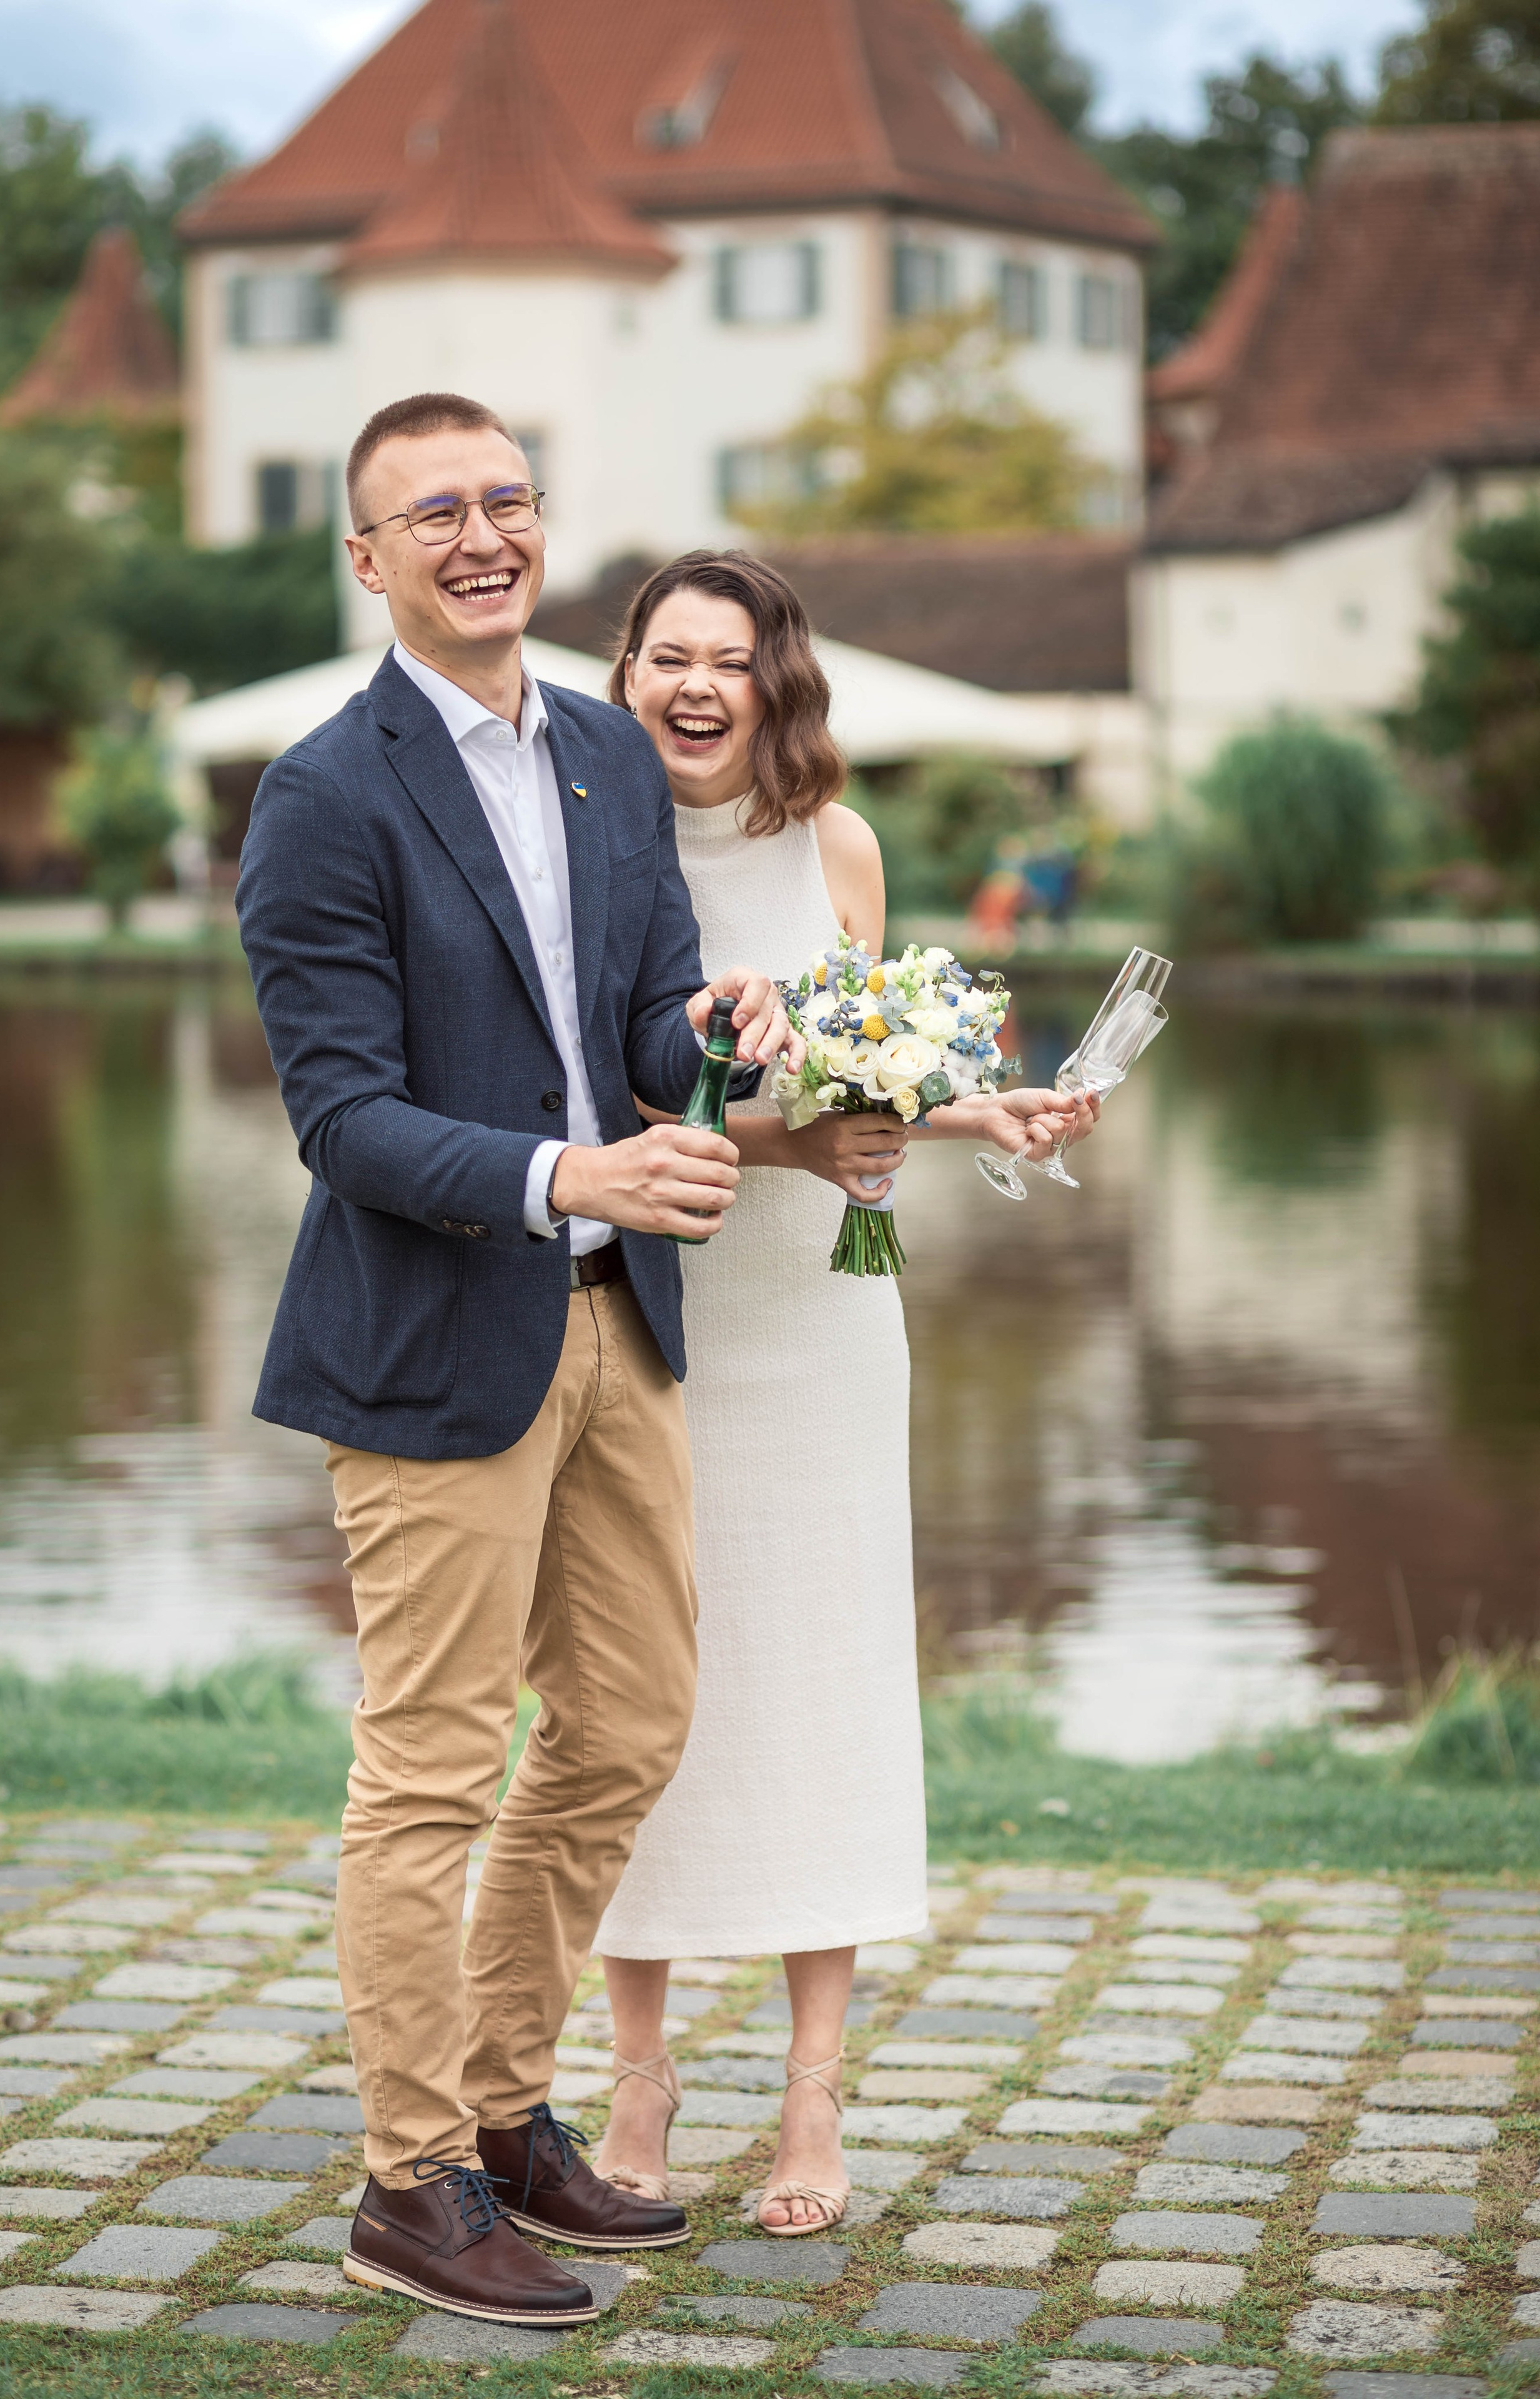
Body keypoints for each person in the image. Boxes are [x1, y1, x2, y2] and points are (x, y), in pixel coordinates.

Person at [235, 402, 800, 2328]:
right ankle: (410, 2178)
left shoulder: (606, 755)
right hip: (426, 1343)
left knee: (629, 1723)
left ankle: (499, 2115)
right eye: (433, 511)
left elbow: (635, 1008)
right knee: (427, 1770)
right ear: (368, 558)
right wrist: (575, 1169)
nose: (480, 534)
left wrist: (708, 1024)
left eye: (504, 499)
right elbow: (345, 1120)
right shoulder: (323, 793)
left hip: (615, 1322)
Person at [591, 553, 1092, 2233]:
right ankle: (638, 2078)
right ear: (631, 673)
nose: (699, 684)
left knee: (819, 1675)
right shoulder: (591, 847)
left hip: (818, 1315)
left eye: (730, 657)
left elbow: (865, 1066)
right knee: (638, 1689)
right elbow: (590, 1101)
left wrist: (980, 1116)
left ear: (776, 681)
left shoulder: (840, 848)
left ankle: (813, 2097)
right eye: (669, 654)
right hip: (654, 1305)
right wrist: (787, 1137)